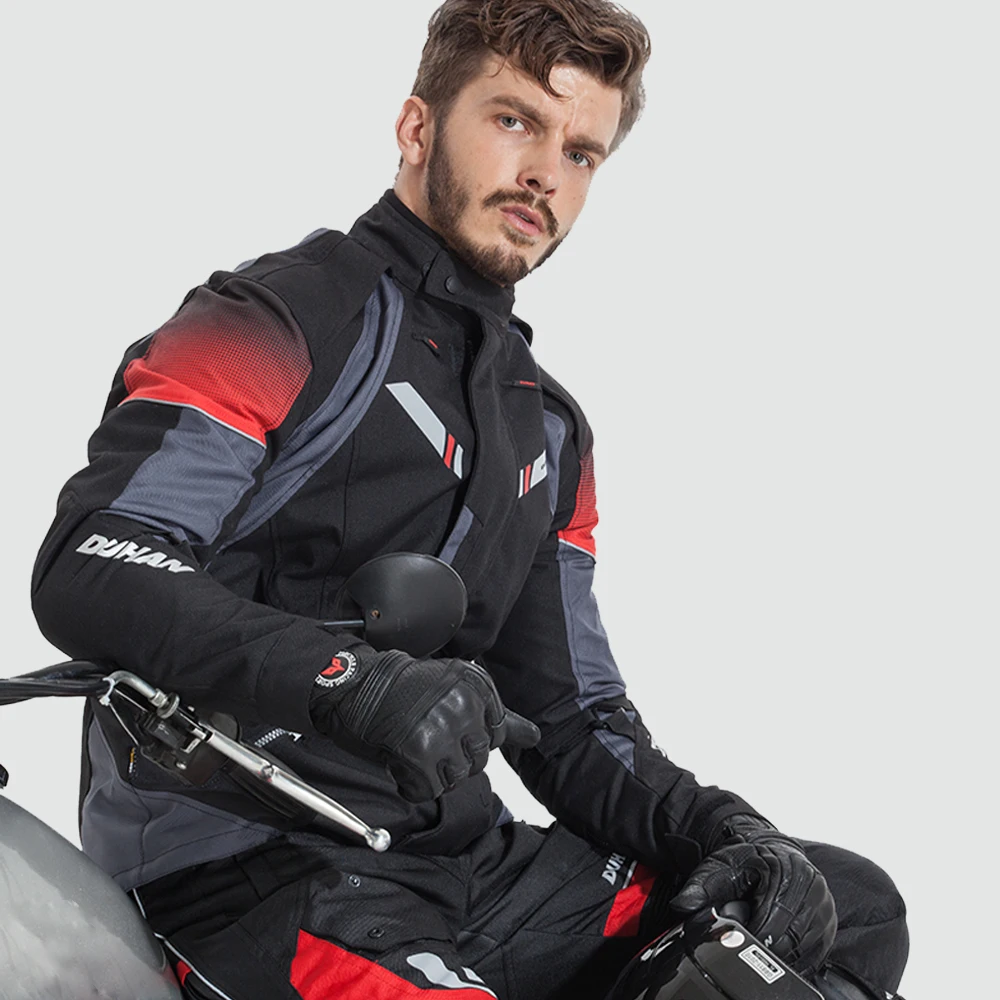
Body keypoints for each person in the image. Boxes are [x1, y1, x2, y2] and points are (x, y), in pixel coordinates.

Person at [31, 2, 908, 998]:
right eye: (514, 120)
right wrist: (348, 680)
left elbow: (569, 717)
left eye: (580, 151)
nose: (545, 173)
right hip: (251, 866)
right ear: (417, 127)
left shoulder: (548, 431)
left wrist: (730, 833)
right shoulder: (274, 321)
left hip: (466, 866)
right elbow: (97, 563)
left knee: (842, 908)